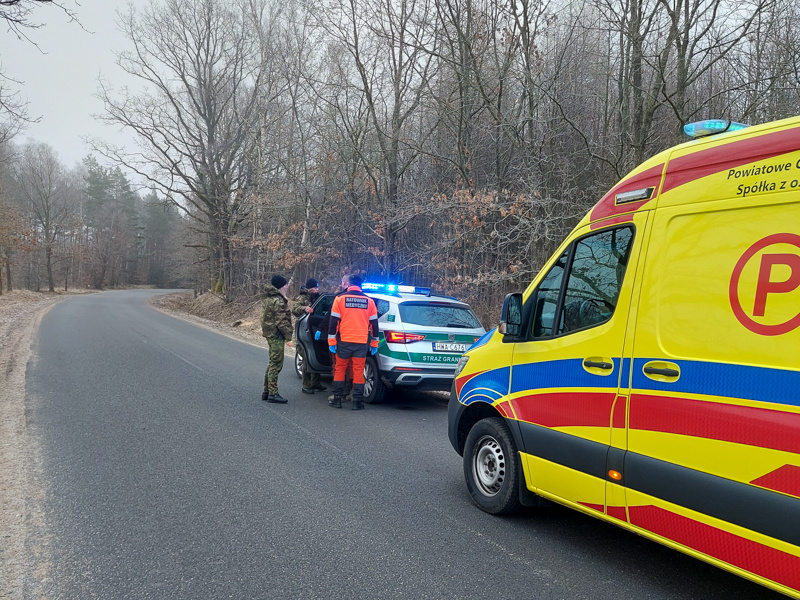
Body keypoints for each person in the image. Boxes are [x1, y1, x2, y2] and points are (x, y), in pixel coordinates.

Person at [327, 274, 379, 410]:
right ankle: (357, 401)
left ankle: (337, 399)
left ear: (348, 284)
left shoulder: (339, 299)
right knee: (358, 371)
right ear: (360, 285)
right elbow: (374, 325)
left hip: (344, 340)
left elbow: (333, 323)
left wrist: (331, 341)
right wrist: (374, 343)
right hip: (361, 342)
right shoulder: (370, 301)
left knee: (340, 369)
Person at [260, 274, 293, 404]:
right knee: (276, 364)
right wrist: (288, 338)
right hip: (276, 335)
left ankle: (266, 391)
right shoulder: (278, 301)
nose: (286, 287)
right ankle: (273, 393)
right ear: (280, 286)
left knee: (272, 362)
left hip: (270, 334)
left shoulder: (269, 298)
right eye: (285, 285)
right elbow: (281, 322)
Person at [292, 278, 326, 394]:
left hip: (316, 330)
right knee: (307, 358)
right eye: (315, 287)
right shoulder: (302, 298)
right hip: (305, 330)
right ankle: (306, 385)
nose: (317, 289)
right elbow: (295, 310)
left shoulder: (319, 298)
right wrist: (304, 309)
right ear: (309, 288)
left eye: (317, 287)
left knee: (315, 356)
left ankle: (315, 382)